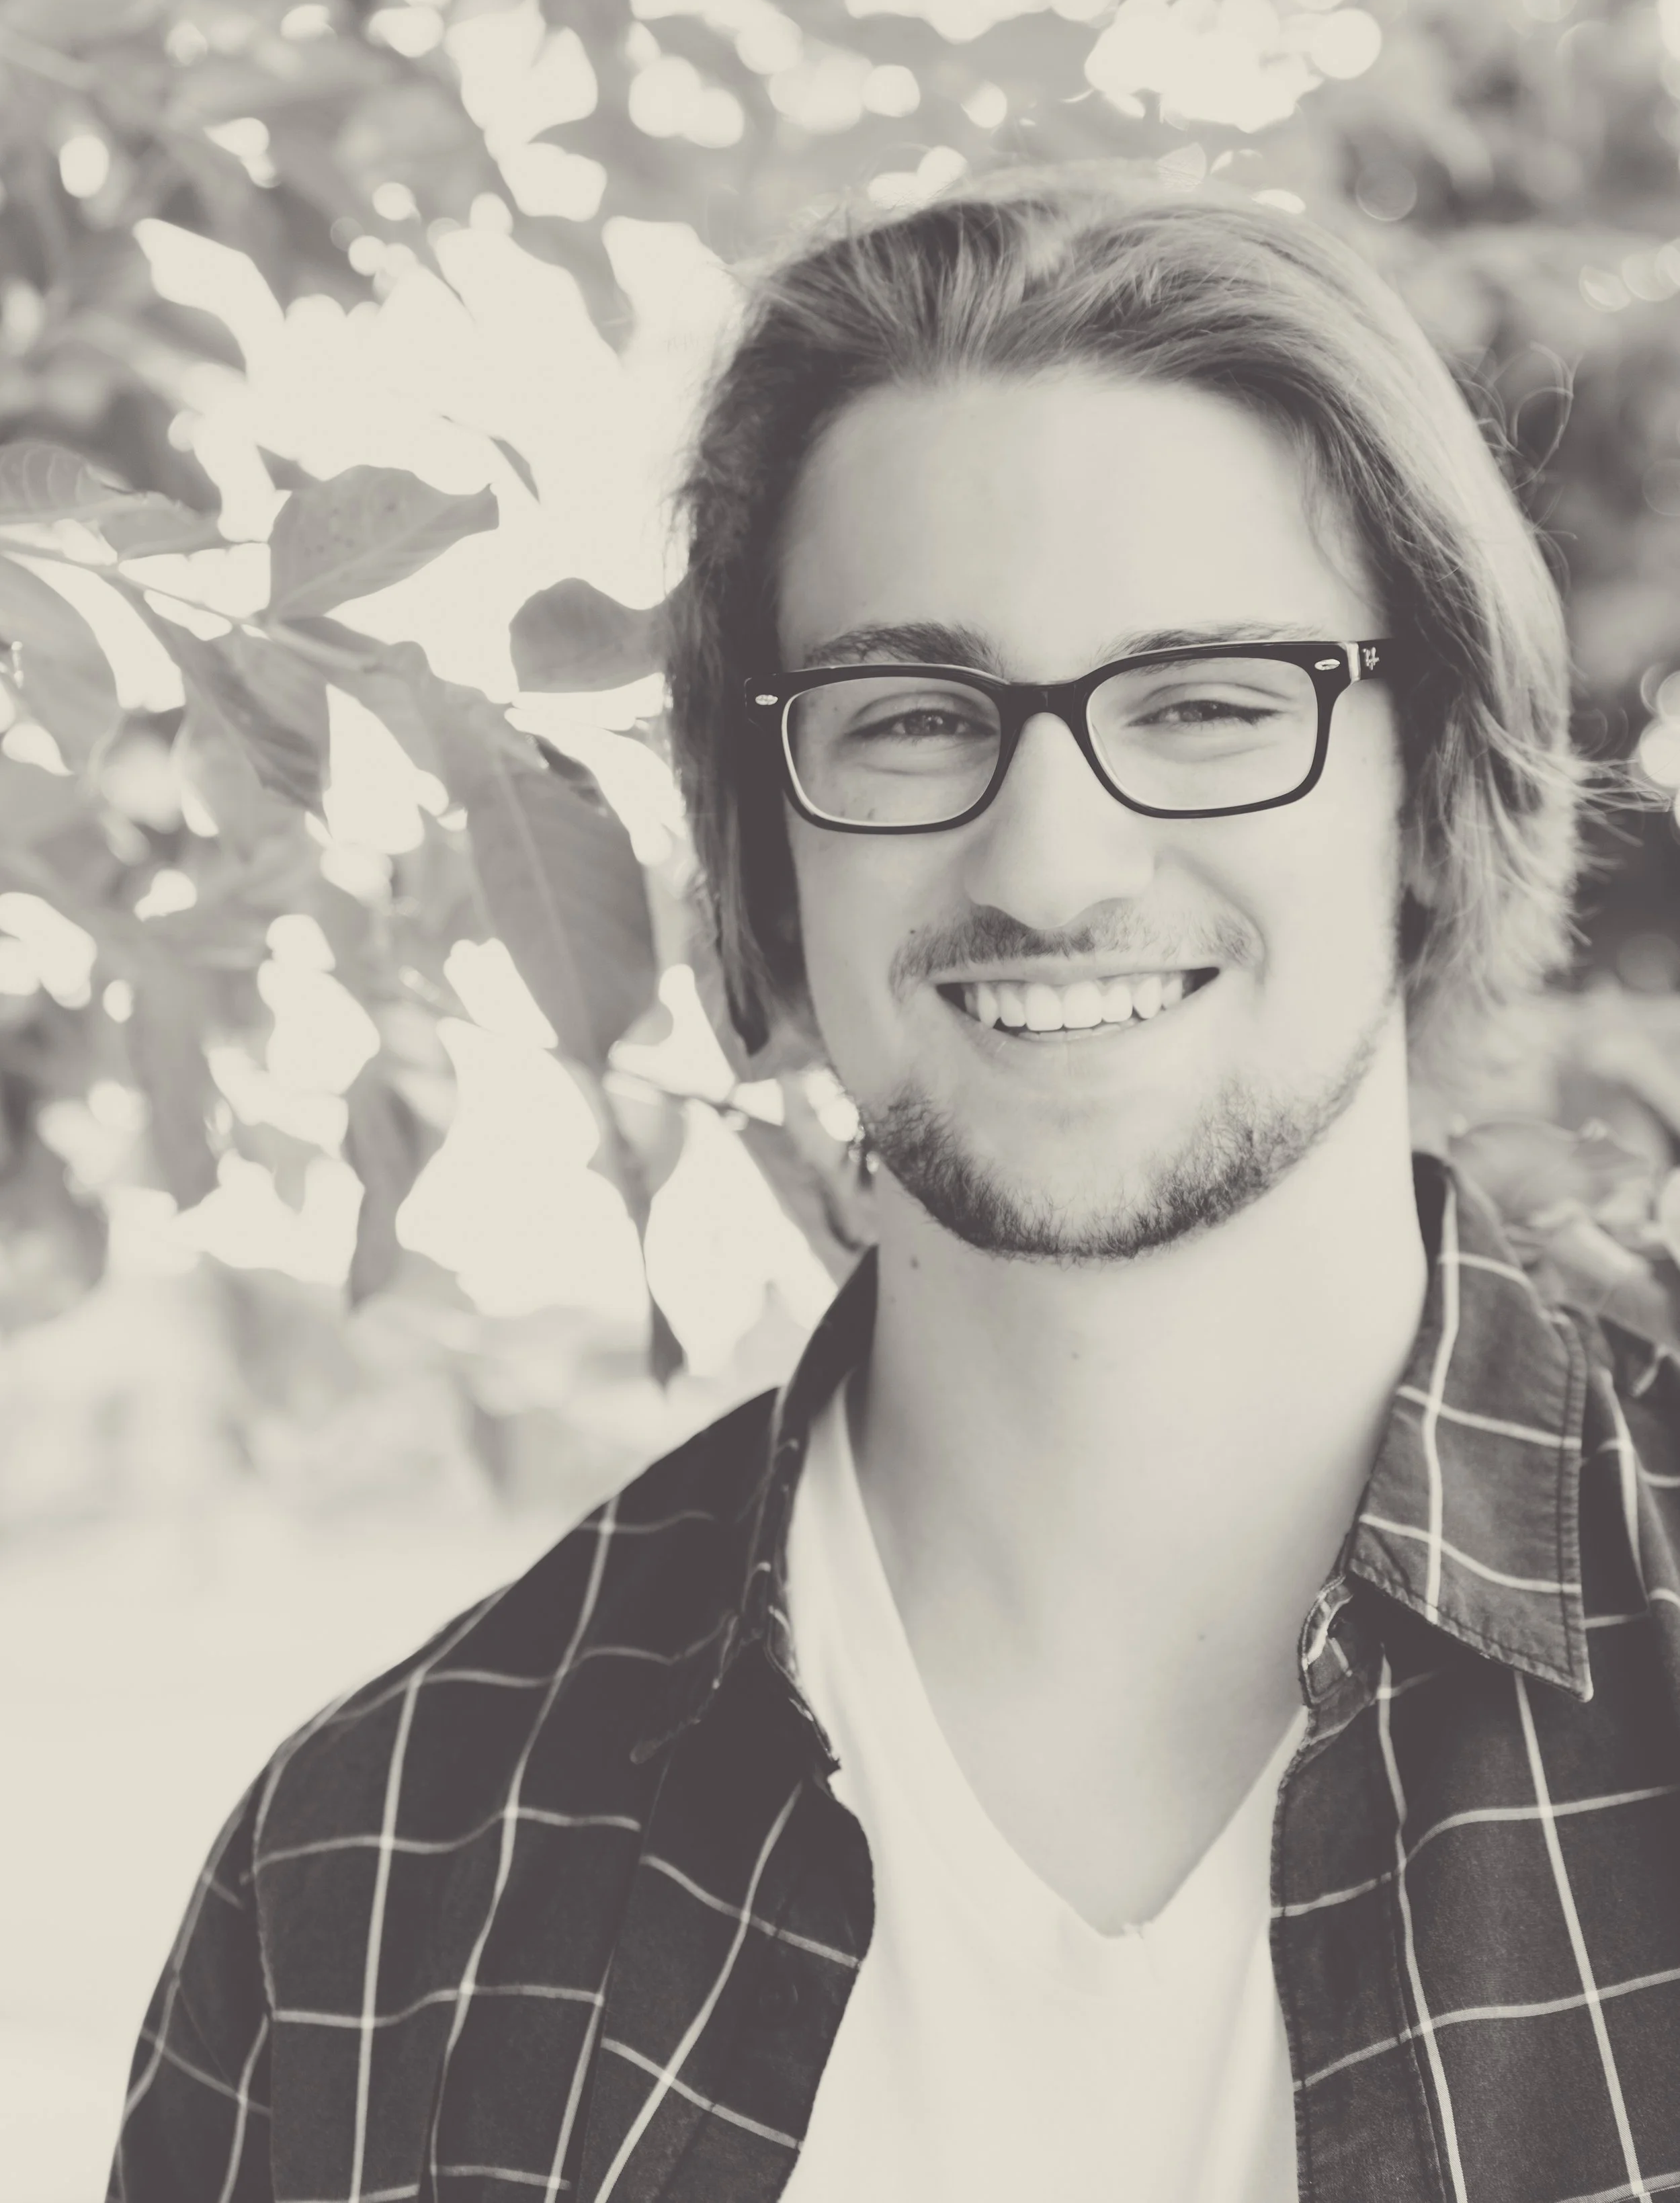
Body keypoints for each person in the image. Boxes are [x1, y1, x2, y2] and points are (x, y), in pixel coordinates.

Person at [110, 174, 1680, 2203]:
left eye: (1208, 704)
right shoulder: (373, 1877)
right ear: (767, 850)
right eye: (916, 718)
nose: (1050, 862)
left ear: (1429, 782)